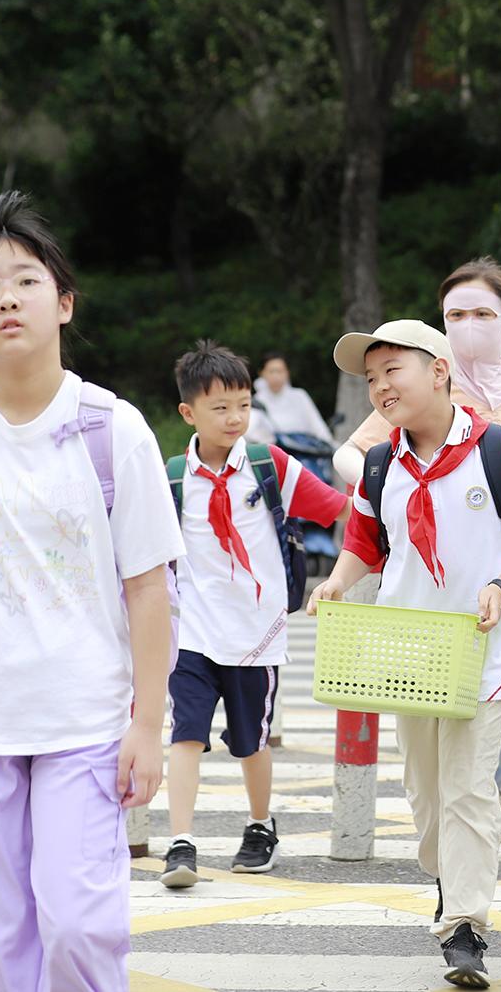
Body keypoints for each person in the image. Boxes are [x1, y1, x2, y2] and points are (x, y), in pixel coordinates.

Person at [0, 193, 183, 992]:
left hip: (84, 719)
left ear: (64, 302)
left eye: (26, 280)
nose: (7, 298)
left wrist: (148, 723)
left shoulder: (113, 429)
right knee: (10, 937)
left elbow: (148, 587)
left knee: (78, 924)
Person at [311, 319, 501, 990]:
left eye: (392, 369)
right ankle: (451, 875)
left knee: (467, 788)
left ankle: (465, 927)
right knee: (426, 794)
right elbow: (364, 540)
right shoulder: (379, 463)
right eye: (372, 377)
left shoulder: (499, 450)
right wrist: (337, 580)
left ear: (439, 371)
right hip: (410, 649)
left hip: (486, 642)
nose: (380, 386)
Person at [332, 257, 501, 838]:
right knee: (426, 788)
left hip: (495, 604)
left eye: (483, 314)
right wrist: (379, 489)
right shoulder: (401, 409)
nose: (469, 324)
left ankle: (485, 801)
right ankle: (453, 854)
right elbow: (359, 485)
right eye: (456, 314)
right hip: (416, 626)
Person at [159, 341, 347, 888]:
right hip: (192, 632)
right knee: (185, 735)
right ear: (189, 413)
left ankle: (261, 825)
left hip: (255, 634)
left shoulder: (270, 465)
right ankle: (181, 842)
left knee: (252, 740)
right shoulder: (172, 478)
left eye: (243, 405)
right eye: (220, 408)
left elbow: (337, 509)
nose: (234, 418)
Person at [249, 352, 335, 446]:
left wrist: (329, 445)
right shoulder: (257, 401)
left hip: (303, 448)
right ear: (262, 373)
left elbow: (317, 425)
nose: (276, 376)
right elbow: (251, 431)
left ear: (287, 372)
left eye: (280, 371)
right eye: (272, 371)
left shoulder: (299, 396)